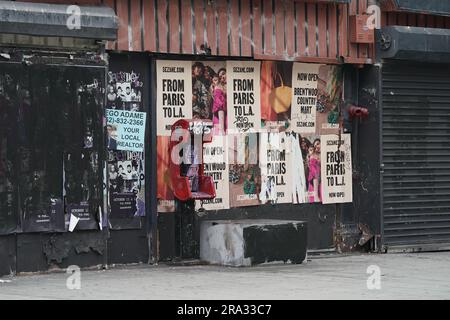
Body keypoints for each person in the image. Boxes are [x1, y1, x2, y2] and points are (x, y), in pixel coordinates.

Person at [308, 139, 321, 203]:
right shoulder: (313, 156)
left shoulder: (321, 154)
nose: (317, 146)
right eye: (315, 146)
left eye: (318, 143)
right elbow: (314, 171)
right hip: (314, 182)